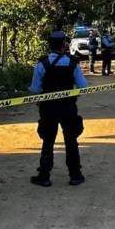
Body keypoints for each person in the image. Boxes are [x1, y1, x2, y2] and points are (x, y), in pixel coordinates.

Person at [29, 30, 88, 187]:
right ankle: (75, 175)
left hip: (48, 108)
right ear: (64, 45)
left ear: (49, 45)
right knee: (71, 140)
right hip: (68, 107)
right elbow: (83, 86)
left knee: (48, 141)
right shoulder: (73, 62)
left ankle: (44, 176)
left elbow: (35, 89)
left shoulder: (42, 64)